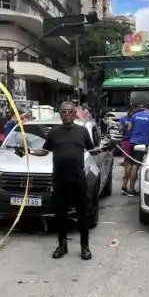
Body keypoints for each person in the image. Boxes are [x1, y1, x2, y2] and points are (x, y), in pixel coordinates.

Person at [44, 101, 95, 261]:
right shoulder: (53, 132)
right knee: (60, 214)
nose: (66, 114)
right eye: (63, 112)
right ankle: (62, 245)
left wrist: (107, 148)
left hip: (78, 178)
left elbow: (92, 149)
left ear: (75, 114)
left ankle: (84, 246)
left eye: (69, 112)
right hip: (59, 179)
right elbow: (44, 150)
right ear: (59, 113)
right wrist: (27, 151)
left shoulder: (82, 131)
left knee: (83, 213)